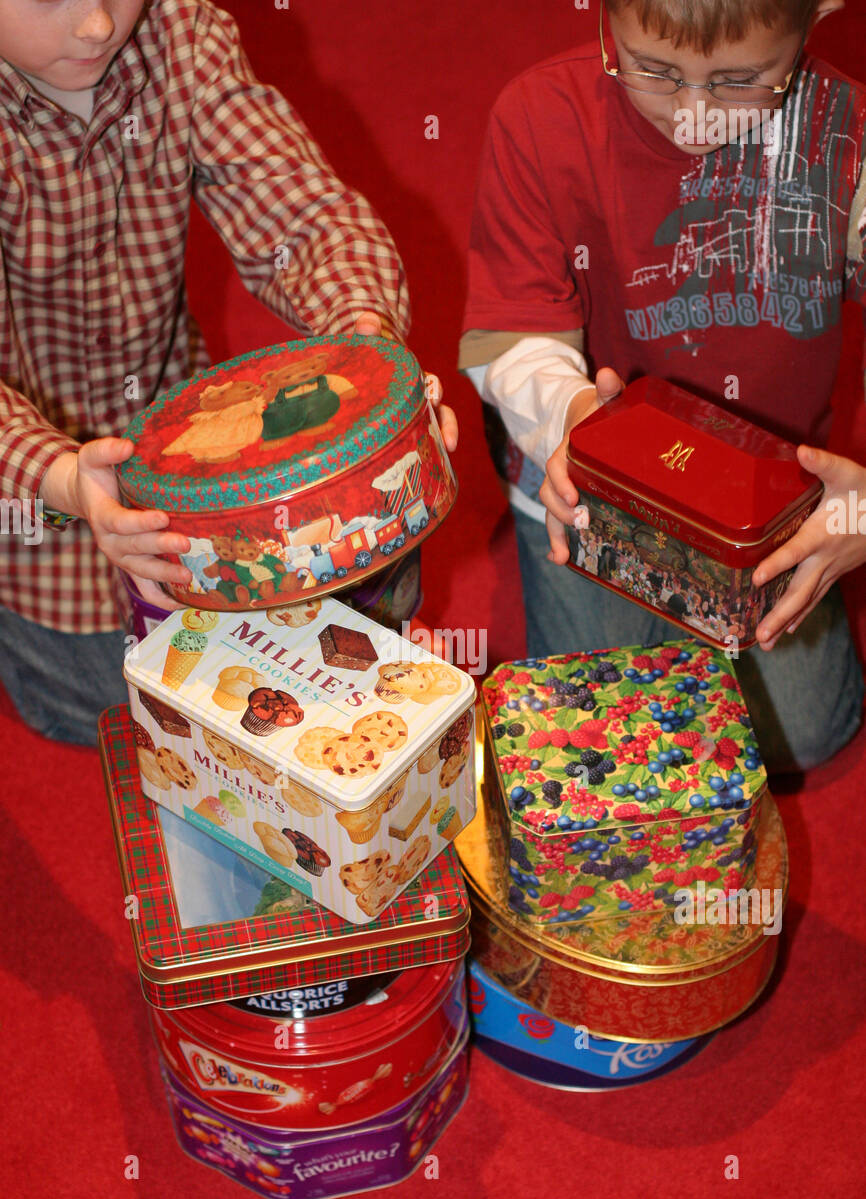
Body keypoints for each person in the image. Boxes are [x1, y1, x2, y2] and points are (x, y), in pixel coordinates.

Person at [0, 0, 456, 746]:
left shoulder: (181, 33)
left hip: (182, 443)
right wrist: (60, 481)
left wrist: (369, 362)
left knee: (332, 602)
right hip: (32, 527)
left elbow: (304, 219)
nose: (96, 25)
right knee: (114, 710)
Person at [461, 0, 865, 774]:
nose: (693, 117)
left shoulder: (850, 139)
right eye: (653, 70)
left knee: (802, 736)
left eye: (740, 80)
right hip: (590, 486)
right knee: (603, 741)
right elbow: (511, 336)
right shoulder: (540, 116)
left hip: (764, 505)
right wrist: (567, 415)